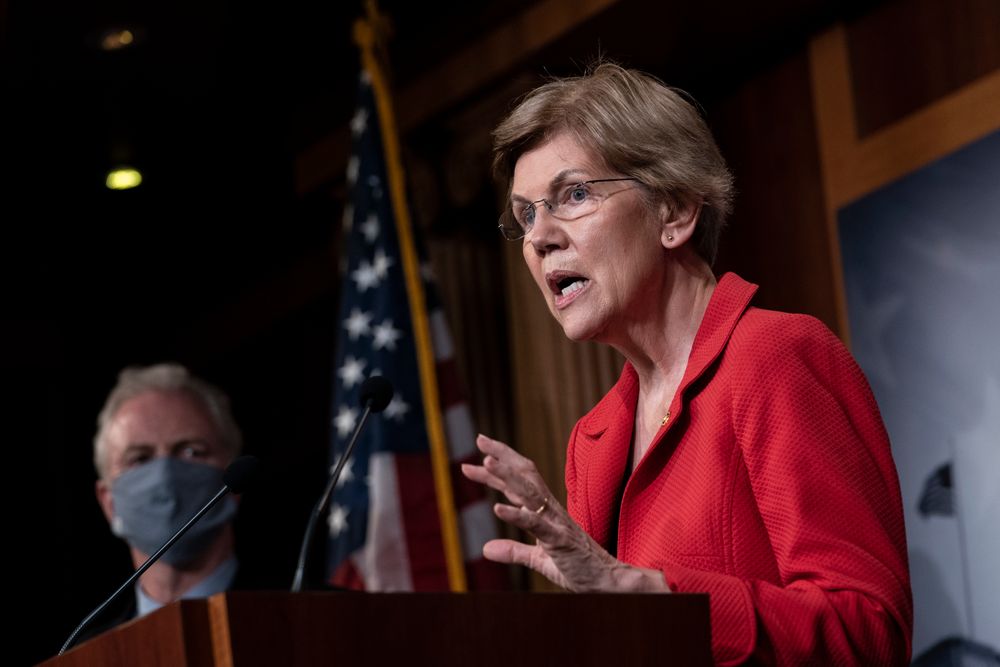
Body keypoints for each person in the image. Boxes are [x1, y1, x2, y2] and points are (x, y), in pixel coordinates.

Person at [461, 63, 913, 665]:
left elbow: (869, 632)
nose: (539, 237)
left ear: (674, 211)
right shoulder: (591, 444)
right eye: (524, 216)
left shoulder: (774, 359)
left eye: (573, 195)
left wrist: (646, 590)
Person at [91, 362, 244, 627]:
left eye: (191, 452)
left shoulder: (316, 617)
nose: (165, 476)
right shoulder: (84, 657)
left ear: (235, 480)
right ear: (108, 501)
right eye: (139, 459)